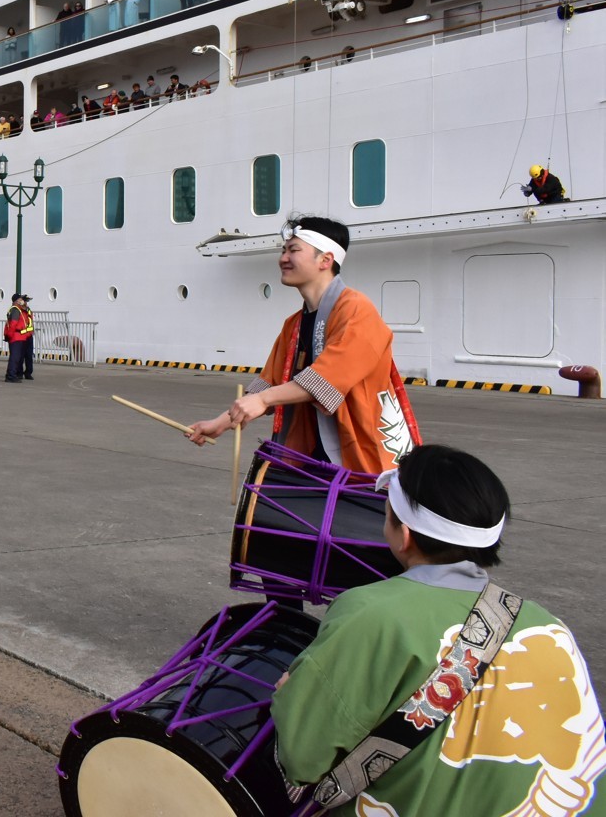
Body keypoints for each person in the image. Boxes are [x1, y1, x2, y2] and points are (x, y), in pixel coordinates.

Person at [272, 444, 605, 815]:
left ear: (405, 536)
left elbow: (303, 758)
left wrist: (291, 697)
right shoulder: (549, 625)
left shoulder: (371, 614)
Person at [186, 215, 419, 475]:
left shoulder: (356, 310)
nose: (283, 258)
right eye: (284, 250)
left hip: (361, 453)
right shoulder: (294, 324)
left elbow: (328, 378)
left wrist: (264, 399)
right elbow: (269, 383)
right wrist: (221, 423)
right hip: (313, 456)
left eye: (294, 250)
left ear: (326, 260)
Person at [3, 293, 29, 383]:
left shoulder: (18, 309)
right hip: (16, 337)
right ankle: (11, 376)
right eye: (20, 299)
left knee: (16, 357)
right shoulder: (16, 310)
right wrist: (10, 336)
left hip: (18, 337)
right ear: (17, 300)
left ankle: (11, 374)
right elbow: (13, 324)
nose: (22, 300)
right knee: (15, 357)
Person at [18, 293, 36, 381]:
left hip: (29, 336)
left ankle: (28, 372)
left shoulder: (28, 310)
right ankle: (20, 373)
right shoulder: (18, 310)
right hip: (22, 336)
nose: (26, 303)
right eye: (25, 301)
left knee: (29, 355)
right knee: (21, 355)